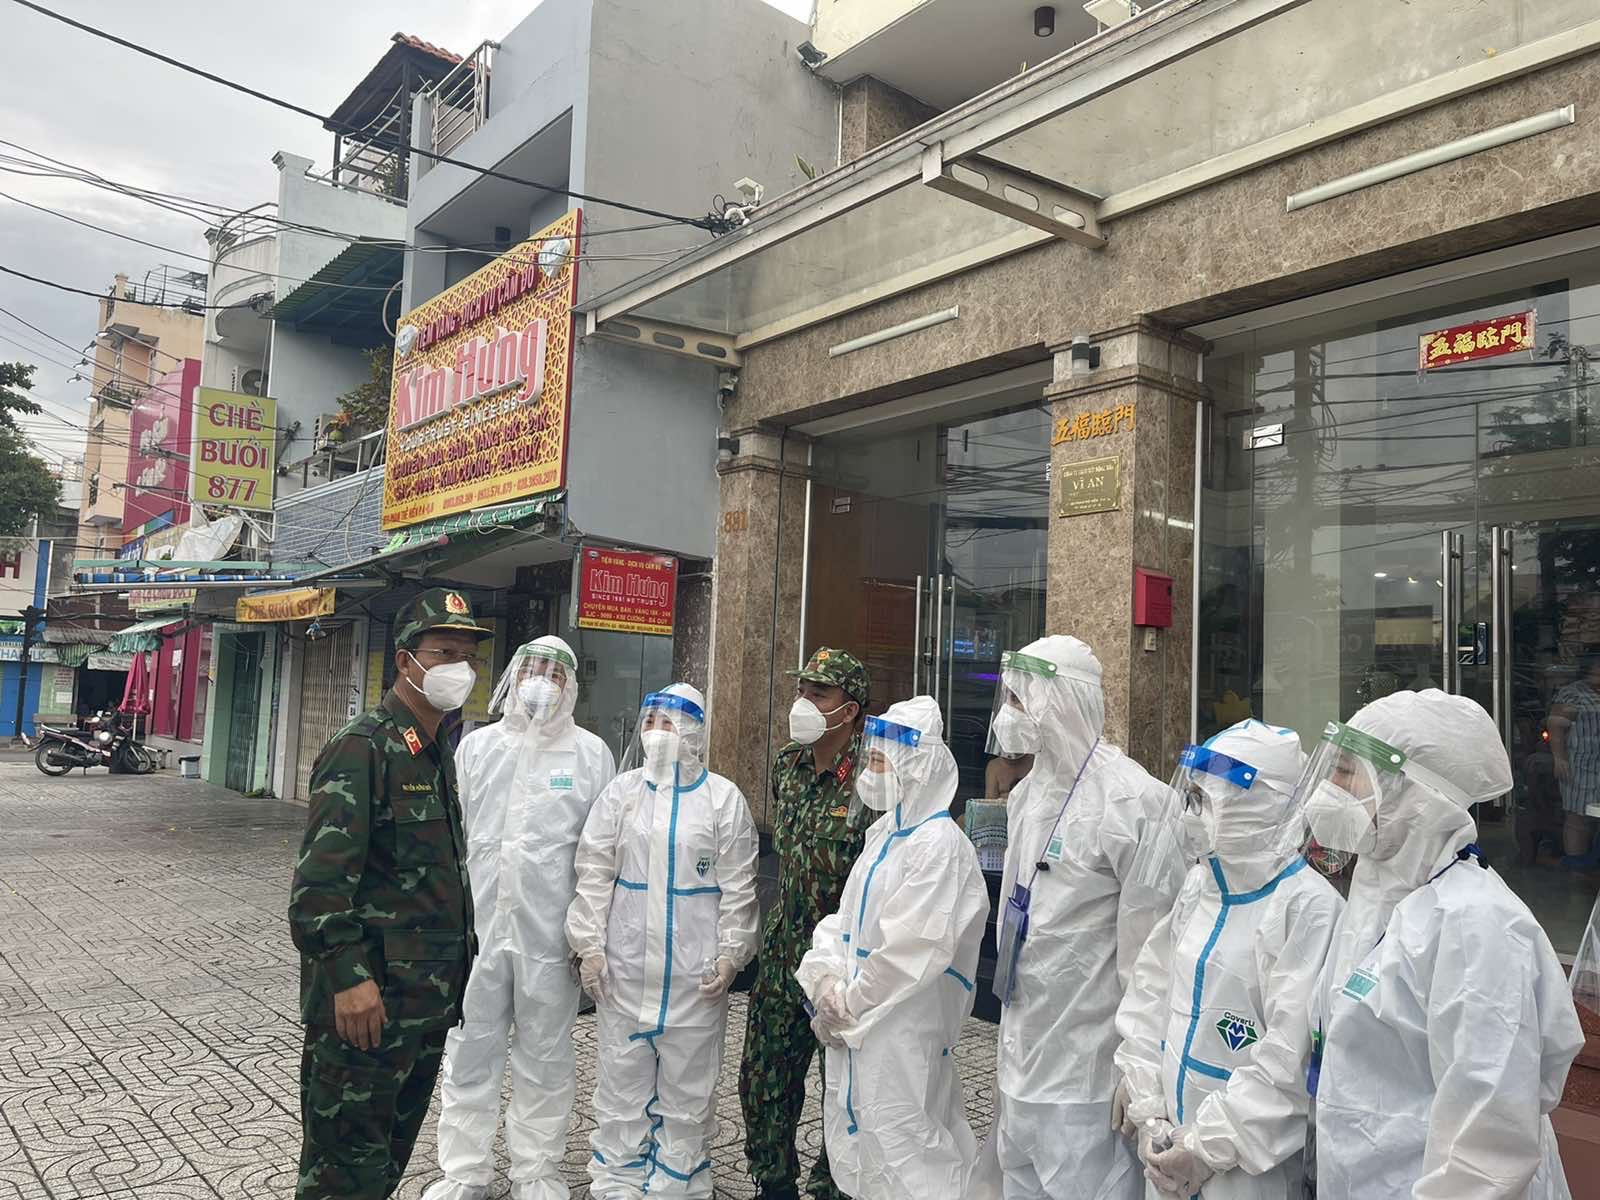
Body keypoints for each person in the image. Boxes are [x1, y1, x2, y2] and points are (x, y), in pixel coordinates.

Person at [1300, 690, 1584, 1200]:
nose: (1329, 790)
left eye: (1345, 773)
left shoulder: (1476, 926)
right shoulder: (1376, 897)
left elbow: (1485, 1151)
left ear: (1412, 793)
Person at [288, 588, 491, 1200]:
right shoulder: (365, 746)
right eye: (444, 652)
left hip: (419, 1007)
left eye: (468, 655)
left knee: (381, 1169)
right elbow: (318, 888)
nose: (460, 667)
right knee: (342, 1176)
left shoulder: (432, 751)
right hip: (366, 1011)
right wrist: (348, 979)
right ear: (406, 661)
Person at [983, 635, 1180, 1200]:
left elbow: (1154, 952)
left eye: (1020, 700)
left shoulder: (1136, 802)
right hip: (1021, 1052)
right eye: (1008, 699)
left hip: (1089, 1070)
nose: (1007, 715)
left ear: (1063, 702)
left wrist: (1140, 1066)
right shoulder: (1028, 795)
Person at [1112, 720, 1343, 1199]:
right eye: (1192, 798)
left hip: (1248, 1169)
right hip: (1166, 1147)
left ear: (1258, 806)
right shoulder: (1202, 885)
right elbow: (1152, 993)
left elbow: (1291, 1060)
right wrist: (1145, 1100)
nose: (1192, 815)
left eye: (1207, 800)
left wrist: (1206, 1149)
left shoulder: (1307, 907)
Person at [423, 637, 617, 1200]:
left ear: (570, 687)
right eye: (532, 668)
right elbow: (451, 840)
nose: (540, 681)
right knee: (469, 1048)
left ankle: (537, 1171)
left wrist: (589, 935)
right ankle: (465, 1170)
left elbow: (601, 854)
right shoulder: (476, 747)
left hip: (550, 938)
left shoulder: (590, 755)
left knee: (546, 1055)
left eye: (554, 673)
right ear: (513, 675)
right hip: (478, 933)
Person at [567, 683, 760, 1199]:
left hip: (694, 982)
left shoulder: (723, 799)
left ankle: (678, 1181)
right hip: (625, 973)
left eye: (668, 723)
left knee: (688, 1091)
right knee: (620, 1086)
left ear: (693, 732)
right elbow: (593, 872)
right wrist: (589, 946)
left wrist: (731, 955)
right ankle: (617, 1180)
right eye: (649, 721)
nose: (655, 732)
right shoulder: (621, 793)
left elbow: (739, 887)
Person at [795, 696, 990, 1199]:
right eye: (871, 760)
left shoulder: (939, 845)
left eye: (880, 763)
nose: (869, 772)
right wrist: (825, 981)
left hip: (903, 1030)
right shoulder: (884, 834)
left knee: (910, 1152)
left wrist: (848, 1004)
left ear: (916, 768)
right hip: (863, 1028)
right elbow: (843, 922)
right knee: (865, 1147)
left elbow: (910, 952)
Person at [740, 648, 872, 1200]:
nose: (804, 702)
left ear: (850, 709)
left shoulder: (871, 778)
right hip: (783, 949)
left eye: (819, 693)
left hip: (843, 965)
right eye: (802, 690)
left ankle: (832, 1184)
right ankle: (774, 1183)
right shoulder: (787, 765)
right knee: (764, 1074)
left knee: (844, 1084)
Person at [1549, 652, 1600, 868]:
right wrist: (1559, 758)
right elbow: (1555, 726)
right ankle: (1575, 862)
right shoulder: (1573, 693)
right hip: (1580, 764)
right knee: (1577, 815)